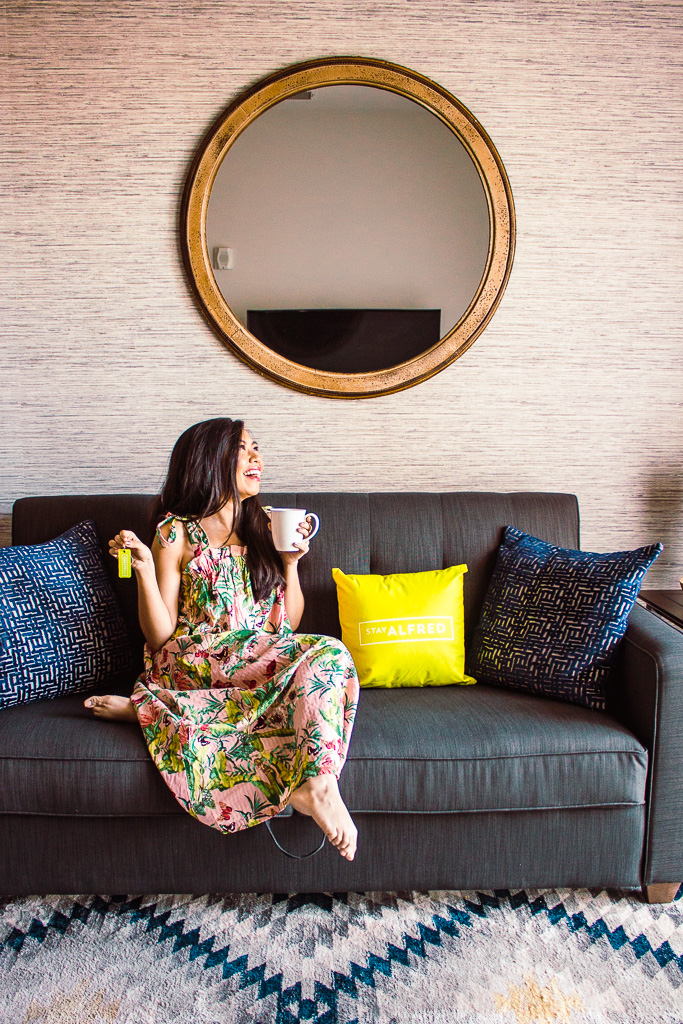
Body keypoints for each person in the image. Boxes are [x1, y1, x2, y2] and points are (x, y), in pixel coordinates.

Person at [84, 417, 360, 861]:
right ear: (210, 460)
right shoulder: (176, 531)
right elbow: (160, 634)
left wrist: (290, 564)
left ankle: (155, 711)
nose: (257, 457)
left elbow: (285, 627)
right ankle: (319, 785)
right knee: (326, 651)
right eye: (243, 449)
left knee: (325, 658)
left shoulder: (266, 526)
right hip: (195, 659)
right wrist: (144, 572)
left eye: (257, 448)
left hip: (255, 663)